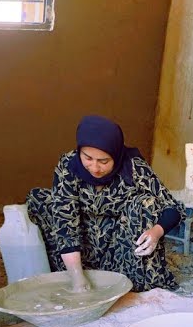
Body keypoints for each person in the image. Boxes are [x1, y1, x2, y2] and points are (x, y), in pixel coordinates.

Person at [26, 115, 184, 293]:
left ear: (116, 155)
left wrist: (156, 232)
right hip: (80, 245)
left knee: (145, 204)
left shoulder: (133, 168)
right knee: (40, 199)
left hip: (119, 247)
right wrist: (77, 277)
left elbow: (172, 207)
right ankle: (69, 273)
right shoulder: (69, 166)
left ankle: (135, 282)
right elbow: (66, 221)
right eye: (88, 158)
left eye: (104, 161)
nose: (95, 168)